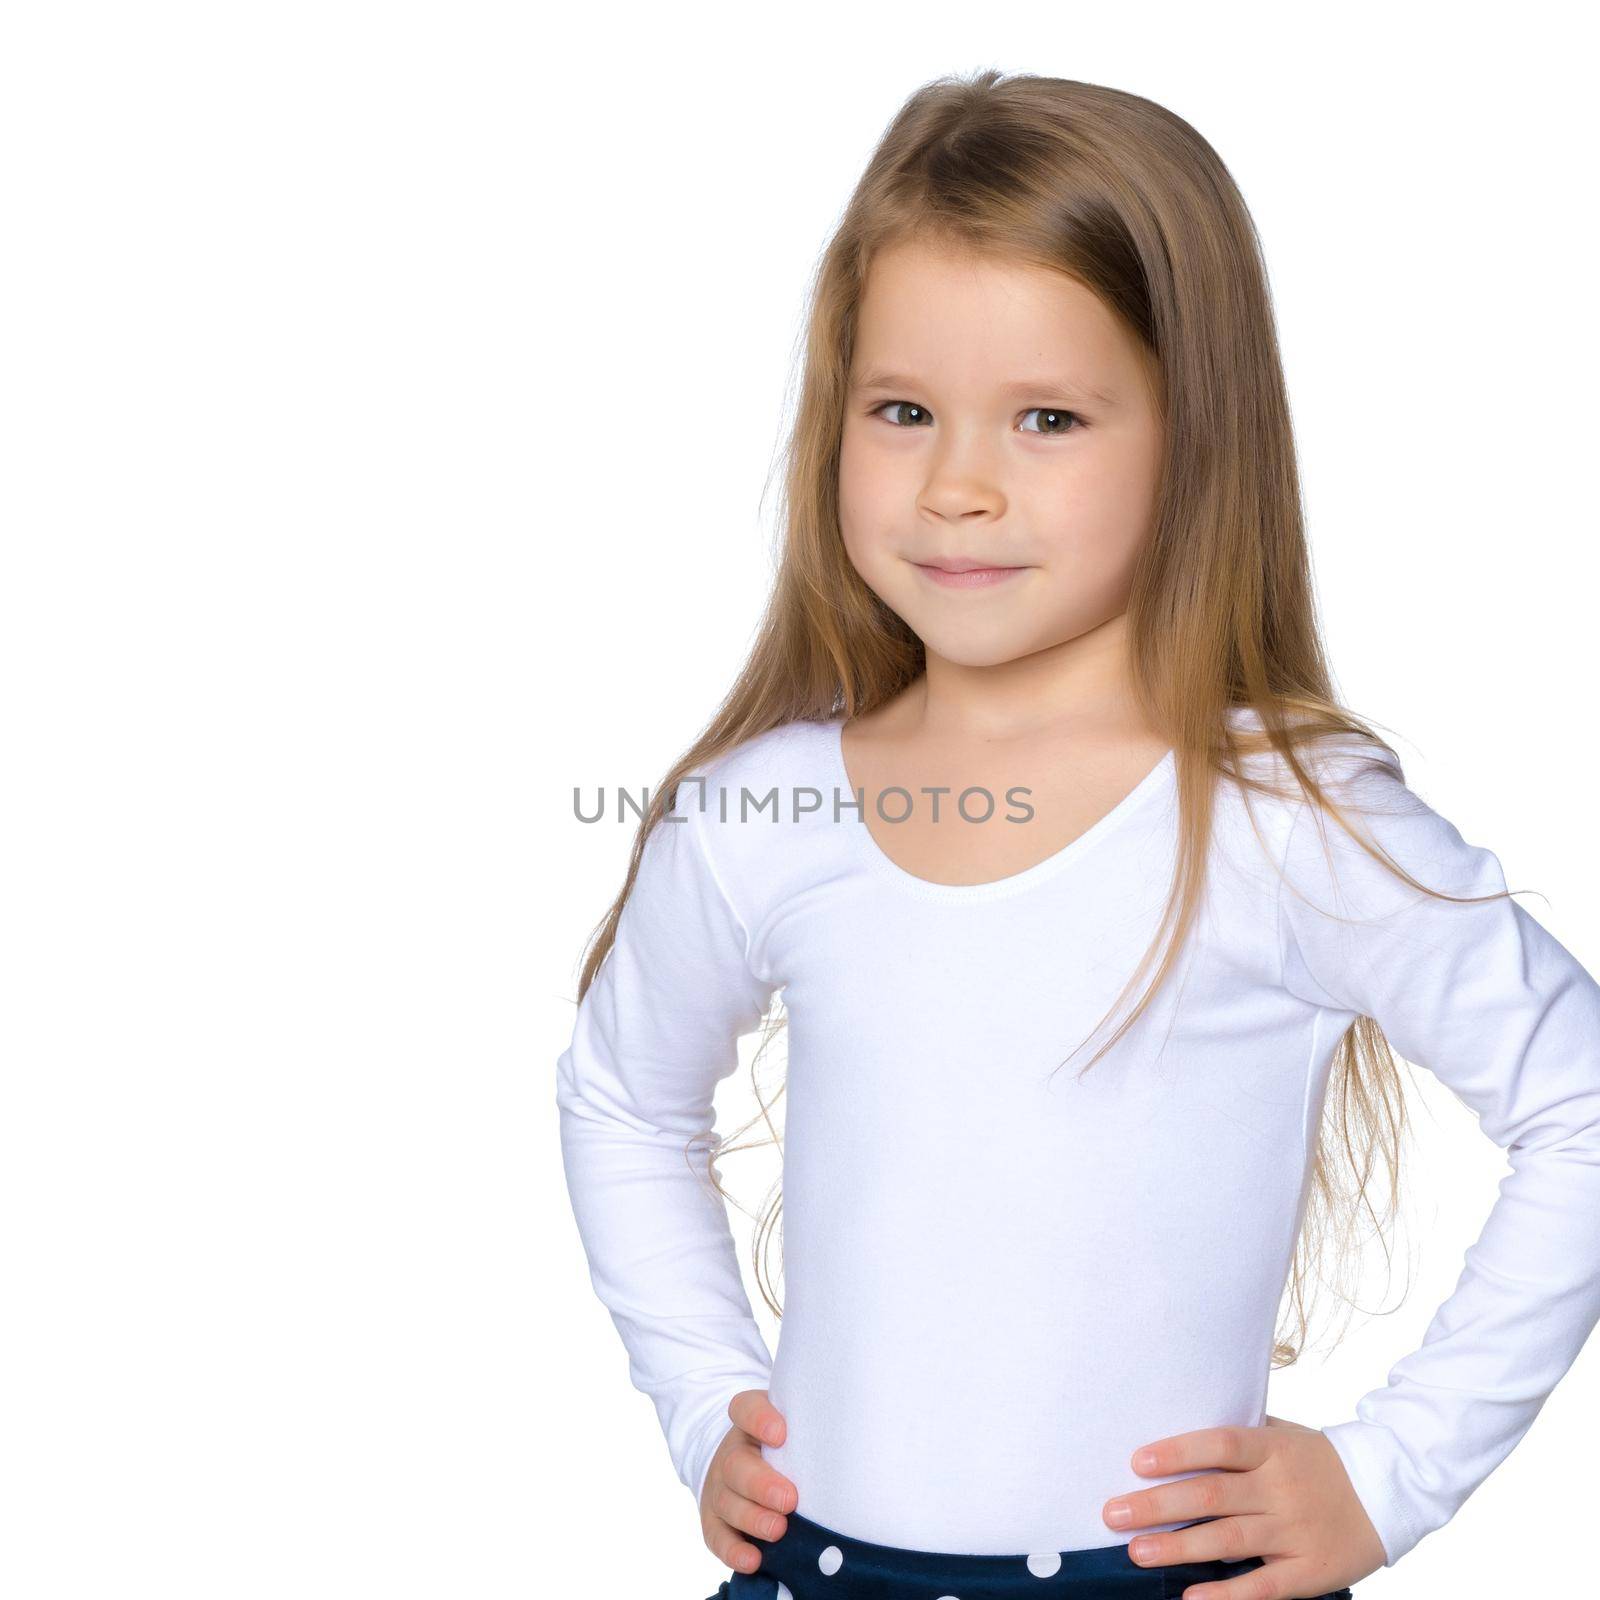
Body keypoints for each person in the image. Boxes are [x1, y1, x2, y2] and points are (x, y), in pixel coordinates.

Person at [554, 69, 1600, 1600]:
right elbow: (621, 1103)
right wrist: (707, 1399)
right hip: (816, 1572)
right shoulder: (754, 816)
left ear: (1197, 433)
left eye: (1047, 418)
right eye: (902, 411)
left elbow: (1578, 1102)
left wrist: (1389, 1477)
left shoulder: (1279, 819)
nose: (959, 487)